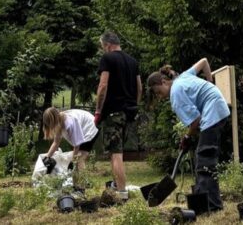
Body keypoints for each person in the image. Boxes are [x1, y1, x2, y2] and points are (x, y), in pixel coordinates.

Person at [146, 57, 230, 212]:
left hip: (213, 113)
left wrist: (187, 137)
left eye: (158, 92)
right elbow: (204, 62)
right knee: (202, 158)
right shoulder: (183, 76)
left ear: (164, 82)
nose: (160, 96)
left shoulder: (175, 94)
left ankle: (213, 206)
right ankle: (203, 199)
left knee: (205, 160)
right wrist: (211, 84)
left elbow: (195, 121)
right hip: (219, 108)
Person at [95, 31, 141, 194]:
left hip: (114, 112)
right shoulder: (133, 61)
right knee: (118, 152)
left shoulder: (107, 59)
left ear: (107, 45)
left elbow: (103, 86)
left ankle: (121, 193)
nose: (103, 50)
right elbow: (139, 87)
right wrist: (134, 105)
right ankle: (116, 186)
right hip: (130, 112)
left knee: (115, 154)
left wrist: (98, 111)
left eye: (103, 47)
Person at [42, 107, 98, 176]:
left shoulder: (70, 123)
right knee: (77, 157)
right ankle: (77, 181)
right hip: (83, 125)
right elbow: (56, 142)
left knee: (80, 157)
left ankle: (82, 182)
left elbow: (77, 145)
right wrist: (47, 157)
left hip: (89, 127)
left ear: (55, 120)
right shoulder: (59, 121)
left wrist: (72, 162)